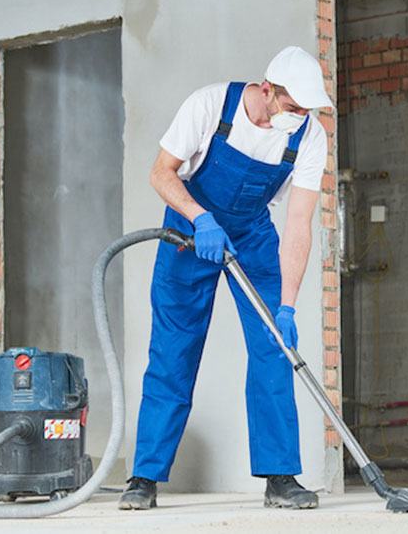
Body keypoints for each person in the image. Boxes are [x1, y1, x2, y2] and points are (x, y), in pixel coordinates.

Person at [119, 46, 332, 511]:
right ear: (267, 90)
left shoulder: (310, 137)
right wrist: (200, 217)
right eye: (292, 108)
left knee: (275, 345)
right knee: (173, 351)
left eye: (306, 111)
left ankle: (281, 477)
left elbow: (298, 225)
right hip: (189, 229)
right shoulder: (210, 106)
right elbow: (161, 173)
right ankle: (144, 477)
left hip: (254, 235)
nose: (299, 118)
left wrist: (289, 305)